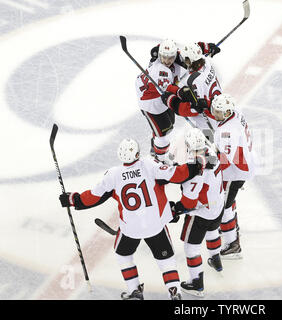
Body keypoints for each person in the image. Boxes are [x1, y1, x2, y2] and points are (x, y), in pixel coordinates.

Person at [58, 138, 212, 300]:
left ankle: (134, 291)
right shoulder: (149, 165)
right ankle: (174, 292)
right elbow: (176, 175)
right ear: (137, 153)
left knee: (123, 255)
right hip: (156, 225)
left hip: (130, 228)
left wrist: (73, 199)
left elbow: (94, 197)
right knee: (166, 260)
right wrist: (196, 165)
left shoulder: (113, 175)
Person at [169, 128, 225, 297]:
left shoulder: (196, 172)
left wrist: (175, 209)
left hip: (201, 214)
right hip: (218, 207)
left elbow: (189, 203)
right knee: (213, 231)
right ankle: (216, 260)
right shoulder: (212, 151)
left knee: (191, 249)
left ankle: (196, 284)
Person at [211, 93, 256, 259]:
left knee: (223, 206)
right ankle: (231, 229)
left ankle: (233, 244)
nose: (215, 114)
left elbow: (226, 161)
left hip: (236, 171)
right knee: (227, 201)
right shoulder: (236, 112)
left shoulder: (226, 133)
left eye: (218, 112)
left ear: (227, 113)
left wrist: (209, 162)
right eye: (214, 110)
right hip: (245, 159)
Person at [160, 42, 222, 138]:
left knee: (211, 143)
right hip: (220, 110)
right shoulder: (206, 62)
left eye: (185, 59)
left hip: (210, 120)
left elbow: (194, 109)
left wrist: (172, 102)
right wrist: (206, 47)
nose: (183, 61)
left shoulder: (194, 81)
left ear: (189, 60)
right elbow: (195, 52)